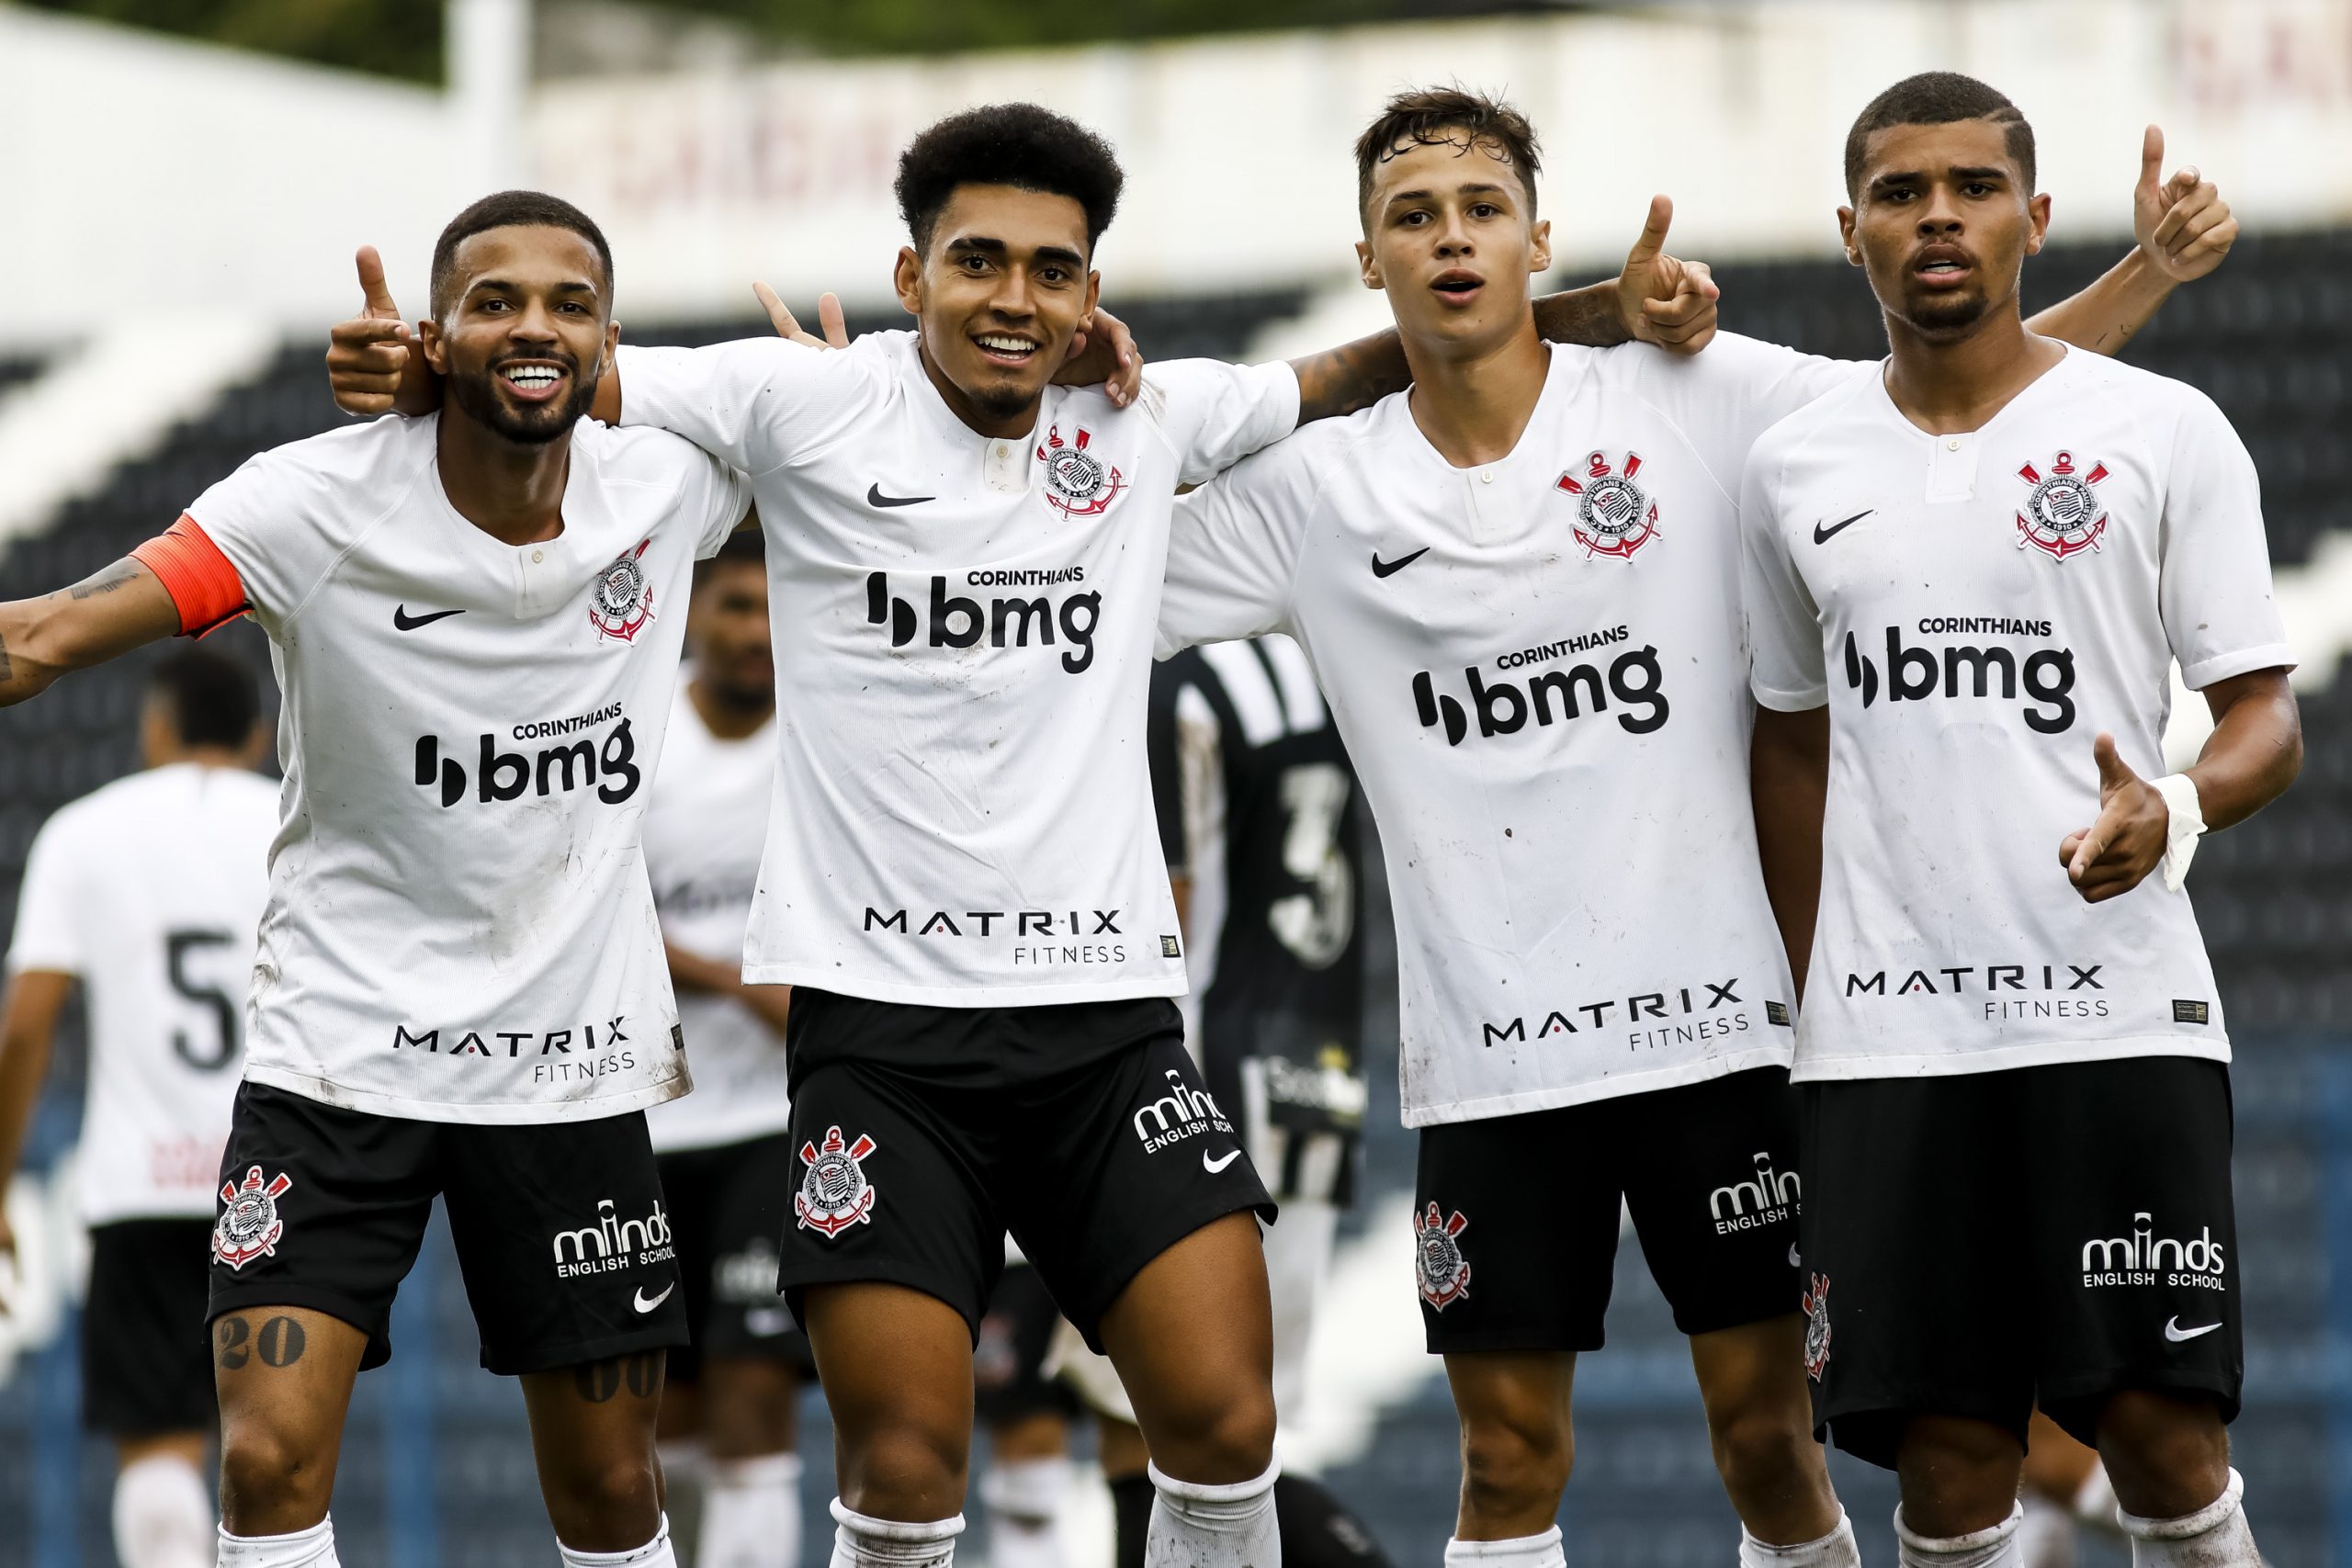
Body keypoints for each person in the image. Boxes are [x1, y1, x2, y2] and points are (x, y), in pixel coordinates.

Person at [327, 99, 1719, 1568]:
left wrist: (1591, 313)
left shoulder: (1140, 419)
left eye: (1054, 270)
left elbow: (1356, 365)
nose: (1016, 297)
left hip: (1105, 1026)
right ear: (912, 272)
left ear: (1090, 295)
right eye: (978, 261)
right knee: (911, 1462)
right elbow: (557, 370)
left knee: (1225, 1420)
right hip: (886, 1037)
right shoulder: (803, 402)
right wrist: (413, 360)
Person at [1155, 85, 2236, 1568]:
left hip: (1726, 1035)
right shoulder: (1315, 491)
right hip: (1490, 1059)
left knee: (1770, 1445)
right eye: (1414, 218)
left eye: (1481, 211)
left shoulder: (1694, 393)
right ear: (1369, 256)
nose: (1451, 240)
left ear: (1538, 235)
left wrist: (2149, 277)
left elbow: (1956, 406)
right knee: (1508, 1455)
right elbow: (1086, 564)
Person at [0, 190, 759, 1568]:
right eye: (494, 300)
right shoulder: (309, 503)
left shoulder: (670, 487)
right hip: (341, 1059)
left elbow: (904, 447)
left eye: (567, 303)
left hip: (567, 1063)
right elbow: (41, 636)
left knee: (608, 1487)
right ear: (435, 330)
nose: (534, 324)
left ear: (610, 341)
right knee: (265, 1453)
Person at [1743, 72, 2297, 1568]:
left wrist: (2173, 805)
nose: (1940, 217)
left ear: (2035, 219)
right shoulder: (1792, 465)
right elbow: (1787, 742)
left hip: (2113, 1012)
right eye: (1905, 191)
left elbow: (2266, 713)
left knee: (2161, 1434)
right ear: (1851, 227)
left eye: (1974, 188)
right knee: (1948, 1460)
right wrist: (1816, 996)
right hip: (1889, 1046)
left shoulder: (2160, 428)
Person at [1054, 631, 1390, 1568]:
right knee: (1235, 1437)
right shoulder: (1314, 655)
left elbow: (1160, 908)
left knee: (1158, 1444)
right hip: (1310, 1079)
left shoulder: (1160, 676)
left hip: (1182, 1095)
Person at [0, 648, 277, 1568]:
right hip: (279, 1183)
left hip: (137, 1187)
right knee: (279, 1453)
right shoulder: (292, 819)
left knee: (156, 1451)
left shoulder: (83, 834)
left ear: (154, 728)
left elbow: (25, 1029)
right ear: (260, 737)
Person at [642, 527, 811, 1568]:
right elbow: (576, 905)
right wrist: (735, 981)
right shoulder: (638, 725)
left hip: (768, 1122)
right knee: (663, 1416)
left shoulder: (821, 733)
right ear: (695, 615)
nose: (755, 635)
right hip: (645, 1116)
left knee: (756, 1401)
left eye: (770, 612)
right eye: (735, 609)